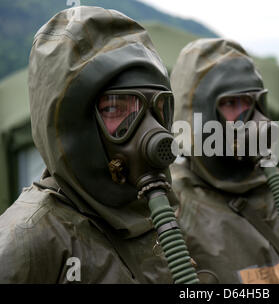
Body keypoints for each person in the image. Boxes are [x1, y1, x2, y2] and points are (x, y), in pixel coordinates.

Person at [0, 6, 193, 283]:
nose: (151, 131)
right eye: (117, 108)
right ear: (73, 122)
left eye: (157, 108)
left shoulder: (157, 217)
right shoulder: (28, 243)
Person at [169, 38, 279, 284]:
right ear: (196, 114)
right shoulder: (171, 205)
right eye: (231, 103)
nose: (250, 118)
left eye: (250, 102)